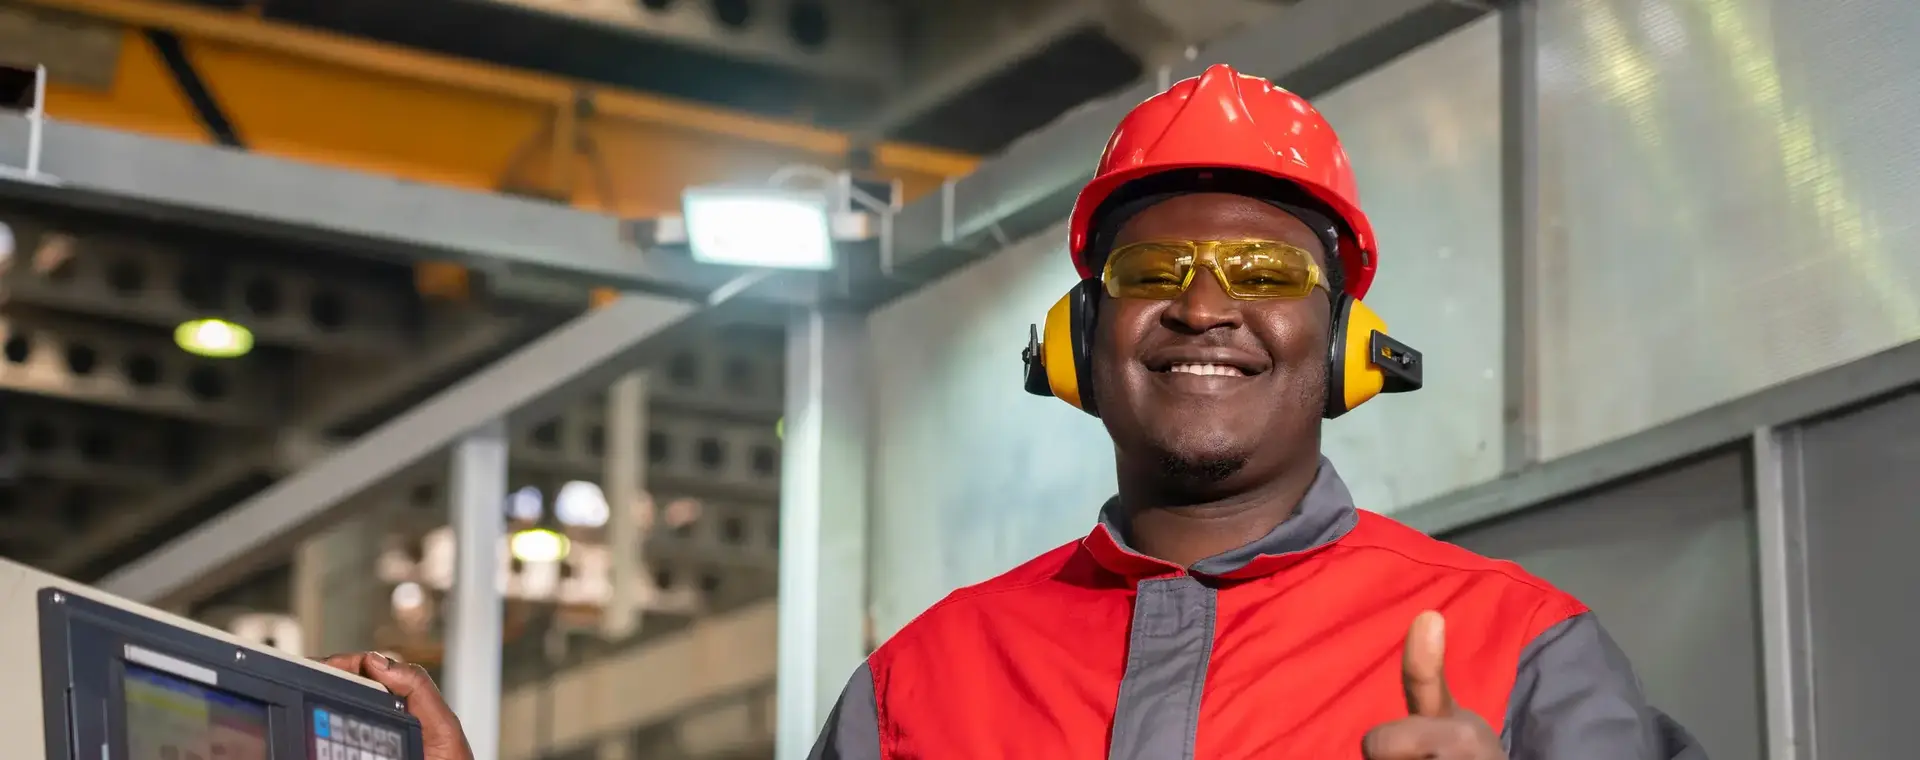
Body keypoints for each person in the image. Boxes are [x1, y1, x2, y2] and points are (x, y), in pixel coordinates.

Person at [325, 64, 1708, 760]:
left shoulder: (1515, 653)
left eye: (1267, 273)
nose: (1206, 305)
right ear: (1078, 340)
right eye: (1151, 273)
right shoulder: (925, 684)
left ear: (1344, 347)